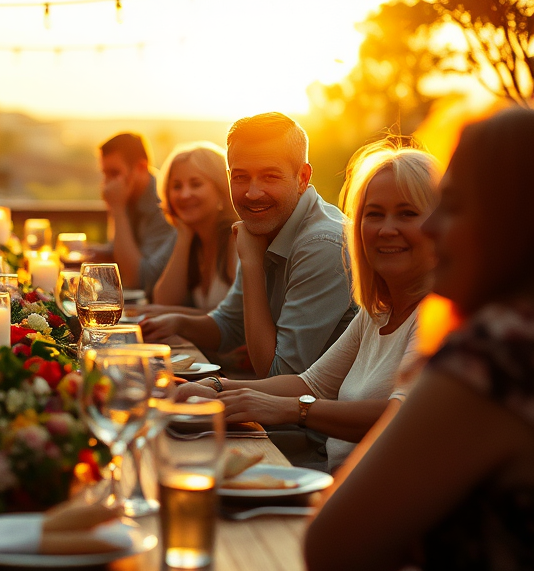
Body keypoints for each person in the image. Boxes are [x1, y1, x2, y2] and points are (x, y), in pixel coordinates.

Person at [305, 108, 534, 571]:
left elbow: (331, 550)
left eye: (449, 207)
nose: (429, 231)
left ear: (511, 218)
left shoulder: (498, 353)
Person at [179, 142, 440, 471]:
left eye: (407, 214)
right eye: (374, 214)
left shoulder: (440, 318)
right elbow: (311, 384)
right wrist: (217, 386)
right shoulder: (376, 313)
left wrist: (293, 410)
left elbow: (401, 415)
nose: (387, 229)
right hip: (339, 480)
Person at [142, 113, 357, 377]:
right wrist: (178, 323)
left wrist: (252, 263)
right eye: (241, 177)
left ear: (302, 177)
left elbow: (277, 372)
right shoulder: (266, 225)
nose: (252, 194)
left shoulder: (323, 245)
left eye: (270, 177)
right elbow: (230, 325)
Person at [143, 142, 238, 310]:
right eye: (177, 186)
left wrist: (177, 320)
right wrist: (184, 237)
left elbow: (235, 320)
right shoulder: (190, 238)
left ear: (222, 189)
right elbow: (164, 302)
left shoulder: (236, 239)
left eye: (196, 184)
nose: (185, 195)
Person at [96, 132, 176, 292]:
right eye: (105, 174)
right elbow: (118, 252)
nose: (107, 185)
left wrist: (117, 210)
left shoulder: (166, 205)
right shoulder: (128, 196)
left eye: (114, 173)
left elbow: (139, 279)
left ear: (141, 167)